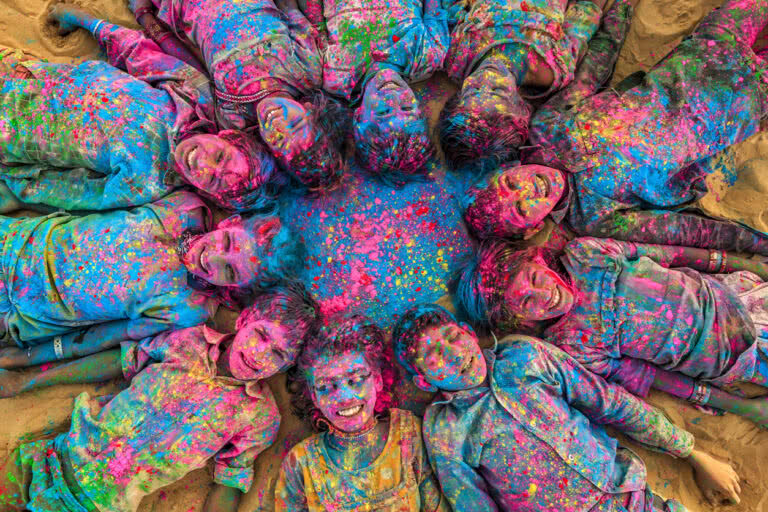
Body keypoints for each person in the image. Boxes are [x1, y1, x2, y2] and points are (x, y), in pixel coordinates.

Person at [462, 0, 768, 249]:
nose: (529, 189)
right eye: (520, 209)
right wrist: (756, 244)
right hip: (742, 109)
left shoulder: (547, 129)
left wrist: (619, 13)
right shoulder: (596, 219)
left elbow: (591, 74)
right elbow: (682, 230)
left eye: (511, 184)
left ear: (507, 171)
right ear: (533, 229)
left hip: (703, 54)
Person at [0, 283, 320, 512]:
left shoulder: (259, 417)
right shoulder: (188, 341)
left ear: (288, 365)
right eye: (261, 335)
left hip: (99, 504)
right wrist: (30, 382)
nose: (260, 354)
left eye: (278, 353)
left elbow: (231, 480)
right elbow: (120, 360)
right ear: (244, 320)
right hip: (52, 455)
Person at [392, 303, 743, 509]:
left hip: (628, 496)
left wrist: (695, 455)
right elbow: (473, 504)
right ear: (424, 380)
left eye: (453, 338)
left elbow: (610, 402)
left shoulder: (524, 358)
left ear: (468, 332)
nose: (454, 353)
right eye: (434, 356)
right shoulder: (445, 430)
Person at [456, 238, 768, 428]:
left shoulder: (586, 256)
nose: (544, 293)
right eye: (526, 302)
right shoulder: (570, 344)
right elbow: (647, 377)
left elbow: (666, 254)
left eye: (536, 278)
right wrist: (744, 408)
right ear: (518, 321)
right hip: (730, 359)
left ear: (538, 260)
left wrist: (732, 261)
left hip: (735, 297)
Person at [0, 8, 282, 213]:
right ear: (229, 137)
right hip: (29, 74)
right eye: (220, 156)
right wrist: (80, 18)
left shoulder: (148, 183)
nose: (202, 164)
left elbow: (77, 192)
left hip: (12, 132)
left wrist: (15, 182)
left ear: (206, 192)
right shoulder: (192, 98)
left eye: (211, 179)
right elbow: (138, 51)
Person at [0, 190, 301, 369]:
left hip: (22, 316)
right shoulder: (183, 207)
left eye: (230, 272)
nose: (211, 259)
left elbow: (103, 336)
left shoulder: (189, 308)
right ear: (232, 222)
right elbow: (91, 200)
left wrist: (27, 358)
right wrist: (15, 195)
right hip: (16, 242)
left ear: (238, 287)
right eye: (226, 244)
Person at [124, 0, 348, 191]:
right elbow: (290, 8)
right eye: (296, 124)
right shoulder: (307, 71)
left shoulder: (233, 116)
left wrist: (145, 16)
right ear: (311, 109)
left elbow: (187, 64)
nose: (278, 124)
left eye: (278, 141)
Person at [274, 314, 448, 511]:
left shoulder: (409, 435)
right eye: (325, 386)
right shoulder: (301, 463)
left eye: (355, 380)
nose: (344, 397)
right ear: (314, 397)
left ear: (377, 380)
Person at [438, 0, 607, 171]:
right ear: (520, 105)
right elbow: (585, 17)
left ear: (458, 97)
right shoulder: (551, 69)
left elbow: (453, 10)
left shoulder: (457, 58)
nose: (487, 76)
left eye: (473, 90)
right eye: (498, 90)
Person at [310, 0, 448, 183]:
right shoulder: (427, 56)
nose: (394, 98)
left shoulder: (335, 76)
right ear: (420, 109)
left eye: (383, 111)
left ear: (358, 116)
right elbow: (433, 7)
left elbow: (315, 25)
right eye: (406, 108)